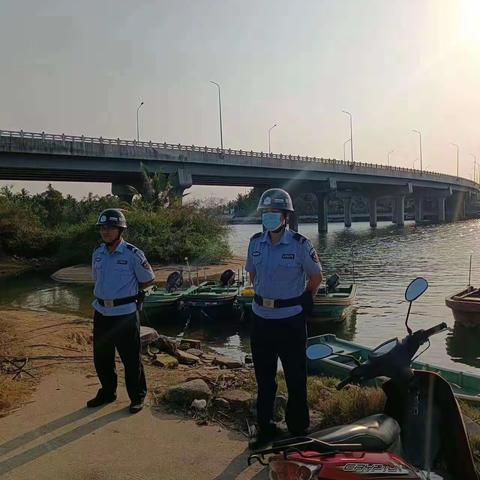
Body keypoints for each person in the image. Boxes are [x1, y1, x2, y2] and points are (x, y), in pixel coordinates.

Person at [245, 188, 323, 447]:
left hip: (290, 320)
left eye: (274, 213)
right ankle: (266, 428)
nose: (269, 217)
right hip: (261, 319)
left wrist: (305, 297)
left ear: (285, 216)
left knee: (295, 377)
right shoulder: (255, 242)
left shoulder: (301, 245)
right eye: (266, 213)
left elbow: (316, 277)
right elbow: (252, 274)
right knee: (264, 379)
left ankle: (298, 430)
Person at [87, 208, 155, 413]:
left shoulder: (133, 254)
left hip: (124, 314)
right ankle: (108, 392)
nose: (106, 232)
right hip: (101, 312)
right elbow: (96, 279)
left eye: (111, 228)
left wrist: (126, 294)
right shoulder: (97, 253)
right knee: (102, 357)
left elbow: (148, 279)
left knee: (131, 358)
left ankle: (137, 396)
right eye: (103, 228)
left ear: (120, 230)